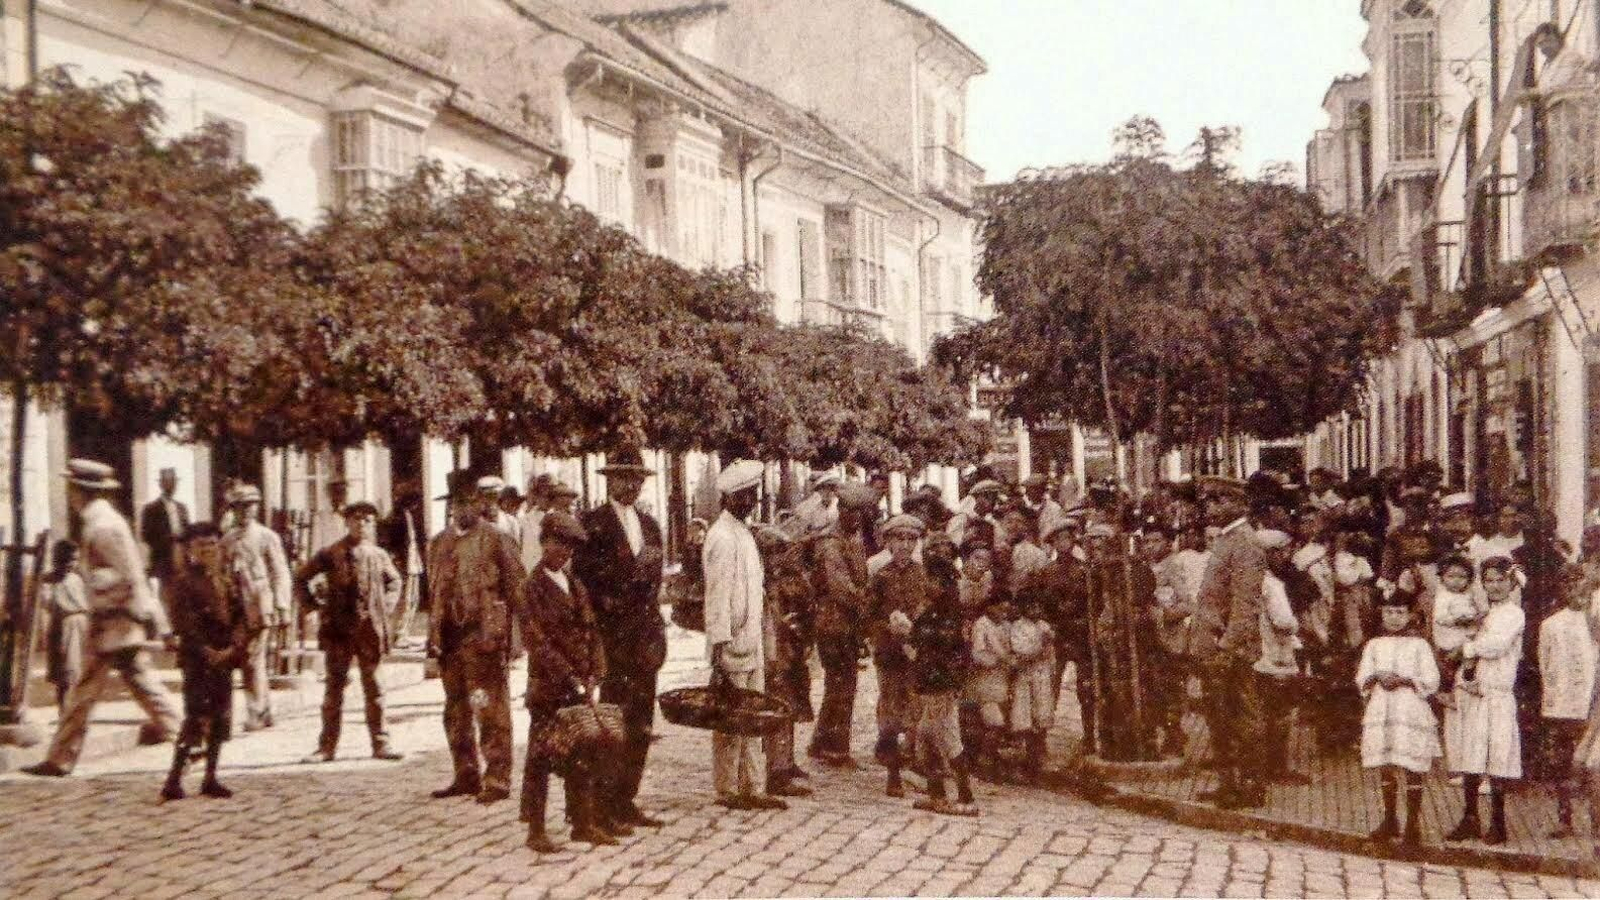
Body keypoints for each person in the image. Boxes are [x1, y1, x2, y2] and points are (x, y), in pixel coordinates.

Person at [24, 461, 181, 778]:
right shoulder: (100, 521)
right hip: (114, 622)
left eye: (72, 488)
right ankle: (188, 736)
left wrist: (95, 588)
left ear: (82, 491)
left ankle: (60, 758)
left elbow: (126, 575)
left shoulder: (103, 526)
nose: (69, 494)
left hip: (114, 621)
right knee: (138, 685)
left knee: (89, 691)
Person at [575, 448, 667, 828]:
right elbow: (584, 583)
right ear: (609, 480)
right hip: (611, 639)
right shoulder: (592, 525)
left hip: (643, 638)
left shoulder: (650, 526)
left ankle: (627, 797)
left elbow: (655, 579)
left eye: (637, 477)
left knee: (641, 721)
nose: (630, 484)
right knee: (612, 720)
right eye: (623, 477)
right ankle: (603, 802)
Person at [520, 511, 616, 852]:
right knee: (541, 758)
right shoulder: (532, 587)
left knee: (581, 752)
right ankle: (535, 828)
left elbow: (592, 631)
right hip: (548, 687)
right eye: (558, 545)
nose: (564, 553)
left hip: (578, 685)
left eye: (570, 548)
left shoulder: (574, 584)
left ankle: (582, 822)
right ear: (543, 543)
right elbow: (537, 641)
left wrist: (596, 669)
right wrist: (569, 674)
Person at [427, 470, 525, 804]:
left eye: (470, 501)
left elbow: (517, 591)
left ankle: (497, 777)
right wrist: (433, 637)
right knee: (455, 709)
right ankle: (465, 773)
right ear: (450, 505)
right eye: (457, 502)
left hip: (483, 637)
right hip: (450, 640)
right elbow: (434, 593)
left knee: (487, 707)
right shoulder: (438, 543)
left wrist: (515, 639)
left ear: (480, 504)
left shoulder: (496, 539)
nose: (463, 509)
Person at [703, 459, 788, 812]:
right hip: (732, 642)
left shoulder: (744, 533)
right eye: (746, 496)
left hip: (751, 638)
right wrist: (719, 647)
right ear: (731, 498)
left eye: (753, 495)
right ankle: (727, 787)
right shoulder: (721, 537)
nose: (751, 502)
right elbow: (718, 597)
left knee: (753, 715)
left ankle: (753, 785)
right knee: (729, 718)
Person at [295, 501, 405, 763]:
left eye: (368, 520)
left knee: (375, 687)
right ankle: (326, 747)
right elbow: (301, 577)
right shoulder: (331, 553)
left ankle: (381, 743)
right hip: (339, 630)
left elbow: (395, 582)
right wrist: (313, 606)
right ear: (346, 522)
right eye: (356, 519)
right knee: (334, 689)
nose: (362, 524)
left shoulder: (379, 555)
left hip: (369, 630)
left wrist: (384, 608)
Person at [161, 521, 261, 801]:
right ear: (190, 549)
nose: (208, 550)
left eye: (212, 544)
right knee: (195, 717)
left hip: (224, 658)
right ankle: (174, 780)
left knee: (220, 717)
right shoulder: (183, 582)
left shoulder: (226, 579)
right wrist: (206, 650)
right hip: (198, 660)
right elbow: (184, 623)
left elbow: (242, 616)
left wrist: (232, 648)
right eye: (201, 545)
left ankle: (210, 777)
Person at [1189, 475, 1268, 809]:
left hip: (1229, 648)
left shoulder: (1245, 543)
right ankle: (1228, 783)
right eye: (1209, 501)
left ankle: (1250, 785)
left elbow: (1245, 603)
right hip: (1213, 645)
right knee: (1219, 716)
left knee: (1242, 715)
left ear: (1240, 504)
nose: (1212, 507)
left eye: (1219, 501)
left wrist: (1228, 647)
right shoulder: (1225, 539)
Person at [1444, 556, 1525, 845]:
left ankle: (1498, 823)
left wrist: (1467, 648)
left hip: (1498, 693)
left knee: (1497, 756)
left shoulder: (1514, 614)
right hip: (1475, 691)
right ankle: (1470, 818)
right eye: (1488, 580)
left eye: (1500, 580)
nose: (1494, 586)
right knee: (1471, 755)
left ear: (1511, 582)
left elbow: (1496, 646)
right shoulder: (1485, 613)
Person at [1357, 591, 1442, 845]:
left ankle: (1413, 822)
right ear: (1382, 613)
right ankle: (1390, 818)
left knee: (1411, 763)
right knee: (1386, 761)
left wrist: (1404, 679)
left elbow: (1431, 679)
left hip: (1409, 708)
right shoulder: (1374, 644)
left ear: (1410, 615)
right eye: (1389, 612)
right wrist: (1376, 678)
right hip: (1383, 707)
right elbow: (1363, 675)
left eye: (1400, 613)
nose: (1394, 618)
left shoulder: (1420, 646)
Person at [806, 481, 876, 767]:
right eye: (852, 513)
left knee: (840, 683)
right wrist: (867, 603)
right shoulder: (831, 543)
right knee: (843, 684)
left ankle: (822, 741)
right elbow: (840, 587)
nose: (857, 519)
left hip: (846, 622)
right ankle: (837, 749)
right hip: (833, 621)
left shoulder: (852, 538)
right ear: (842, 510)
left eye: (861, 514)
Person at [867, 513, 936, 797]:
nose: (905, 545)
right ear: (889, 543)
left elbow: (931, 609)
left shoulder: (923, 575)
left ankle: (915, 764)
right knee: (891, 711)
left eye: (911, 540)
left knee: (916, 709)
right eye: (899, 539)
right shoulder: (881, 577)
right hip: (889, 652)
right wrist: (888, 628)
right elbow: (869, 617)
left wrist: (918, 627)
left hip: (916, 652)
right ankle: (893, 772)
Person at [220, 482, 292, 731]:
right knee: (249, 658)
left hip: (259, 604)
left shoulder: (266, 537)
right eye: (240, 507)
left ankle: (257, 712)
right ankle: (264, 710)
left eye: (251, 506)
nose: (246, 511)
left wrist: (282, 604)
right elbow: (221, 571)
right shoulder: (227, 539)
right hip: (235, 605)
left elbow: (280, 572)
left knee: (252, 657)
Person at [907, 571, 978, 816]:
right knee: (926, 736)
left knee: (947, 739)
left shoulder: (951, 617)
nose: (929, 584)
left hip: (942, 686)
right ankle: (936, 793)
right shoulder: (932, 610)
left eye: (934, 580)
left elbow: (952, 653)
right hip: (932, 685)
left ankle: (965, 795)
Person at [755, 524, 813, 798]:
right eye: (773, 553)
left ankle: (786, 762)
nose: (779, 558)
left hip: (788, 652)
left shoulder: (780, 581)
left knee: (789, 707)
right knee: (777, 708)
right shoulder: (761, 585)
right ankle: (776, 770)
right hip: (773, 655)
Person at [1540, 565, 1597, 838]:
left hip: (1591, 705)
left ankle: (1595, 823)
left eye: (1581, 586)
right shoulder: (1551, 624)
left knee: (1590, 765)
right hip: (1562, 706)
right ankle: (1565, 819)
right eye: (1569, 586)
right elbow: (1546, 666)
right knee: (1562, 764)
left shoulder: (1595, 622)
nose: (1576, 592)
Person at [1256, 529, 1306, 785]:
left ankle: (1260, 767)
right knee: (1280, 714)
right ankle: (1276, 768)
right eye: (1284, 551)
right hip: (1275, 655)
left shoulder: (1245, 579)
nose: (1287, 556)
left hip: (1254, 656)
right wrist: (1297, 626)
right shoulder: (1272, 585)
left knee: (1260, 712)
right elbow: (1284, 621)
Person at [1007, 596, 1056, 782]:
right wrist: (1040, 646)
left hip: (1042, 675)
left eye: (1037, 606)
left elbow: (1050, 655)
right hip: (1025, 676)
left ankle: (1037, 763)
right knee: (1024, 720)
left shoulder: (1044, 626)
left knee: (1041, 718)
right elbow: (1022, 652)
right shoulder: (1018, 627)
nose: (1035, 609)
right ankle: (1026, 762)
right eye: (1031, 606)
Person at [966, 594, 1013, 780]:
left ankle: (989, 759)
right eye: (1000, 609)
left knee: (998, 722)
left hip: (1002, 680)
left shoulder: (1006, 626)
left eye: (1006, 610)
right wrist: (999, 661)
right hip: (985, 680)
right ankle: (984, 762)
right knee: (994, 723)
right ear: (989, 607)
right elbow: (977, 654)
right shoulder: (981, 625)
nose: (1004, 613)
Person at [41, 540, 88, 710]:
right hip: (61, 626)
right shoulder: (48, 580)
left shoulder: (77, 578)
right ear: (57, 560)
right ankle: (64, 711)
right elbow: (46, 602)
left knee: (79, 671)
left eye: (75, 560)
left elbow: (86, 601)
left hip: (80, 624)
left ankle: (76, 711)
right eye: (68, 560)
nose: (71, 564)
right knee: (64, 673)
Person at [1430, 555, 1483, 697]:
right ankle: (1447, 693)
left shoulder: (1467, 595)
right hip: (1449, 641)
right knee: (1449, 669)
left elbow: (1475, 612)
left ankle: (1466, 683)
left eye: (1462, 577)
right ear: (1442, 577)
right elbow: (1440, 618)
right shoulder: (1443, 596)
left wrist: (1474, 618)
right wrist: (1458, 621)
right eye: (1451, 576)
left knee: (1469, 661)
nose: (1456, 581)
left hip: (1464, 638)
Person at [139, 466, 190, 606]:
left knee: (182, 593)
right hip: (162, 558)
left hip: (182, 556)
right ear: (161, 484)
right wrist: (168, 538)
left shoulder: (182, 508)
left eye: (173, 482)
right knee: (165, 596)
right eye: (167, 481)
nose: (171, 485)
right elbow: (145, 535)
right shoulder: (151, 509)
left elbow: (189, 531)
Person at [1004, 507, 1048, 597]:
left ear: (1026, 526)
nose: (1014, 525)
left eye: (1018, 521)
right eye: (1010, 521)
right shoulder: (996, 550)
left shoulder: (1037, 553)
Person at [946, 479, 1001, 549]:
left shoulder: (992, 522)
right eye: (987, 497)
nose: (992, 502)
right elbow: (953, 544)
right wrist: (966, 539)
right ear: (977, 498)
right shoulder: (961, 519)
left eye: (994, 498)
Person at [518, 474, 553, 573]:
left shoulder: (558, 518)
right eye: (542, 495)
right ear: (536, 496)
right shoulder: (524, 520)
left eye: (550, 496)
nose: (546, 500)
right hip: (530, 571)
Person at [479, 476, 521, 546]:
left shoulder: (511, 523)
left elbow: (517, 549)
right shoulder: (476, 524)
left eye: (494, 496)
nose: (490, 502)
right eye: (487, 497)